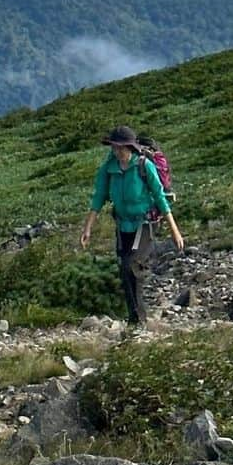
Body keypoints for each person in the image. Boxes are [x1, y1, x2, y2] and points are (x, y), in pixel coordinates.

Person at [80, 124, 184, 326]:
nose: (117, 151)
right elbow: (99, 197)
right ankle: (134, 318)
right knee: (124, 269)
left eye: (121, 147)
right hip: (122, 224)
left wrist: (174, 231)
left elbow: (160, 197)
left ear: (130, 147)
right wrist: (88, 228)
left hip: (145, 223)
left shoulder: (145, 166)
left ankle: (138, 321)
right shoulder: (108, 169)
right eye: (114, 147)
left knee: (131, 267)